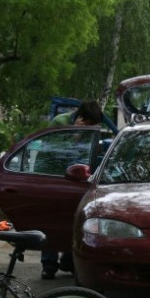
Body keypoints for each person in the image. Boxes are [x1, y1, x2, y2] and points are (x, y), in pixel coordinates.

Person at [41, 99, 103, 280]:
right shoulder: (60, 123)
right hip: (56, 179)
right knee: (51, 223)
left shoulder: (91, 129)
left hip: (79, 181)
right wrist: (74, 134)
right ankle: (48, 264)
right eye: (89, 124)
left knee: (75, 222)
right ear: (81, 118)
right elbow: (50, 150)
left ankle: (68, 261)